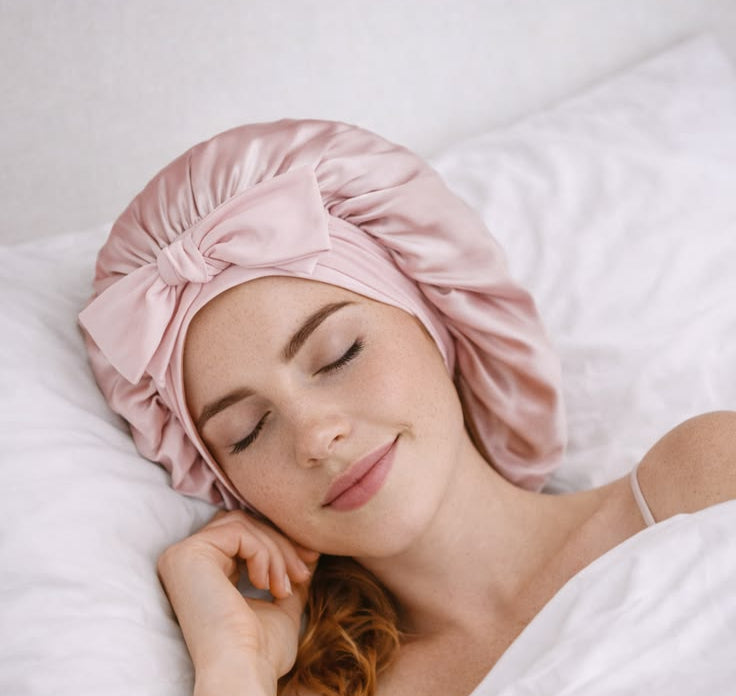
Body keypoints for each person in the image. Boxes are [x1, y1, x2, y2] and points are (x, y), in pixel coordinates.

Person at [78, 119, 736, 696]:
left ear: (437, 320)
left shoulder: (695, 481)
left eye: (340, 354)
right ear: (228, 485)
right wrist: (233, 665)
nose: (315, 434)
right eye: (247, 432)